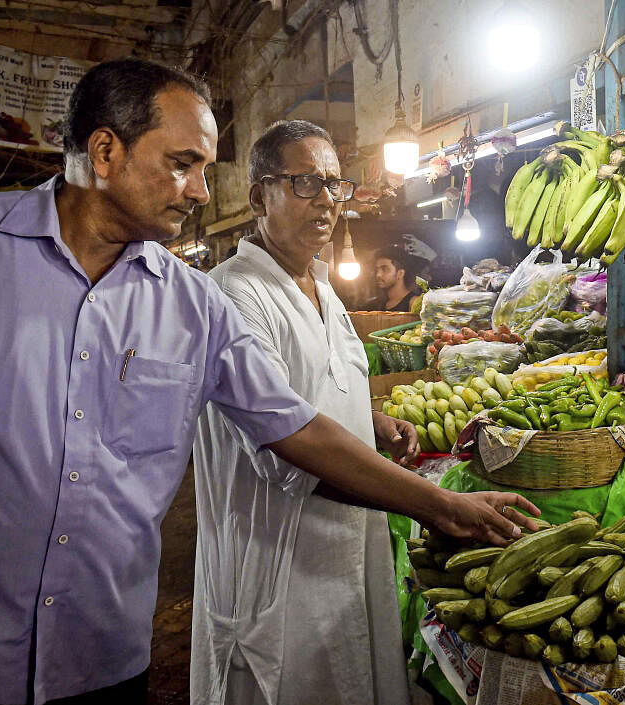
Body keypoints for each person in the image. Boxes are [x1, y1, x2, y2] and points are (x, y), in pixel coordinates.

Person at [0, 58, 538, 705]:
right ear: (104, 151)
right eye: (182, 163)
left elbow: (297, 428)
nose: (199, 190)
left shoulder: (193, 305)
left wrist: (443, 504)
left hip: (96, 656)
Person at [191, 120, 417, 705]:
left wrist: (373, 421)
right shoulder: (234, 294)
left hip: (346, 549)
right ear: (257, 195)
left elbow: (318, 388)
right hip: (279, 566)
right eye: (305, 184)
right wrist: (435, 504)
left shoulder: (321, 284)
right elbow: (288, 448)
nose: (326, 202)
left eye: (335, 186)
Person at [368, 243, 420, 311]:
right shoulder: (378, 304)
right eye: (377, 269)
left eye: (385, 269)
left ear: (400, 273)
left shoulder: (414, 303)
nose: (378, 274)